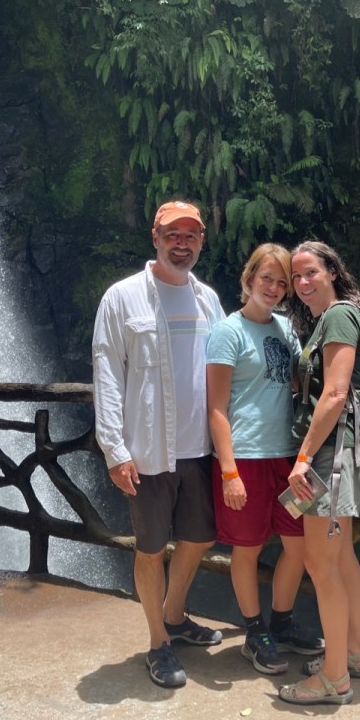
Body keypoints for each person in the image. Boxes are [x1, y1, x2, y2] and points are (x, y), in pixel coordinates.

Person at [92, 200, 226, 689]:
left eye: (191, 236)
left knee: (201, 537)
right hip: (147, 452)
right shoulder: (122, 298)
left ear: (201, 242)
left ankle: (174, 614)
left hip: (201, 449)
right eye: (173, 235)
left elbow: (227, 370)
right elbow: (107, 374)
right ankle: (157, 642)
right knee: (150, 549)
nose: (181, 244)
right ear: (156, 238)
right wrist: (114, 450)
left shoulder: (208, 300)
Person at [206, 244, 325, 675]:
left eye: (281, 282)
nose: (273, 288)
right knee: (248, 547)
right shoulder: (227, 332)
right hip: (247, 458)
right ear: (249, 279)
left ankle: (282, 622)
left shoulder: (286, 329)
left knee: (299, 544)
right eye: (266, 278)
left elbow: (298, 384)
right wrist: (229, 472)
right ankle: (256, 633)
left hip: (288, 459)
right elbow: (216, 408)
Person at [277, 241, 360, 706]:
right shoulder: (340, 316)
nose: (302, 283)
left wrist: (303, 457)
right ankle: (354, 654)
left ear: (332, 271)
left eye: (311, 272)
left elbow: (334, 395)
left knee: (321, 566)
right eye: (296, 276)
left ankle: (334, 678)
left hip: (329, 457)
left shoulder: (337, 317)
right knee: (342, 558)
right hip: (343, 453)